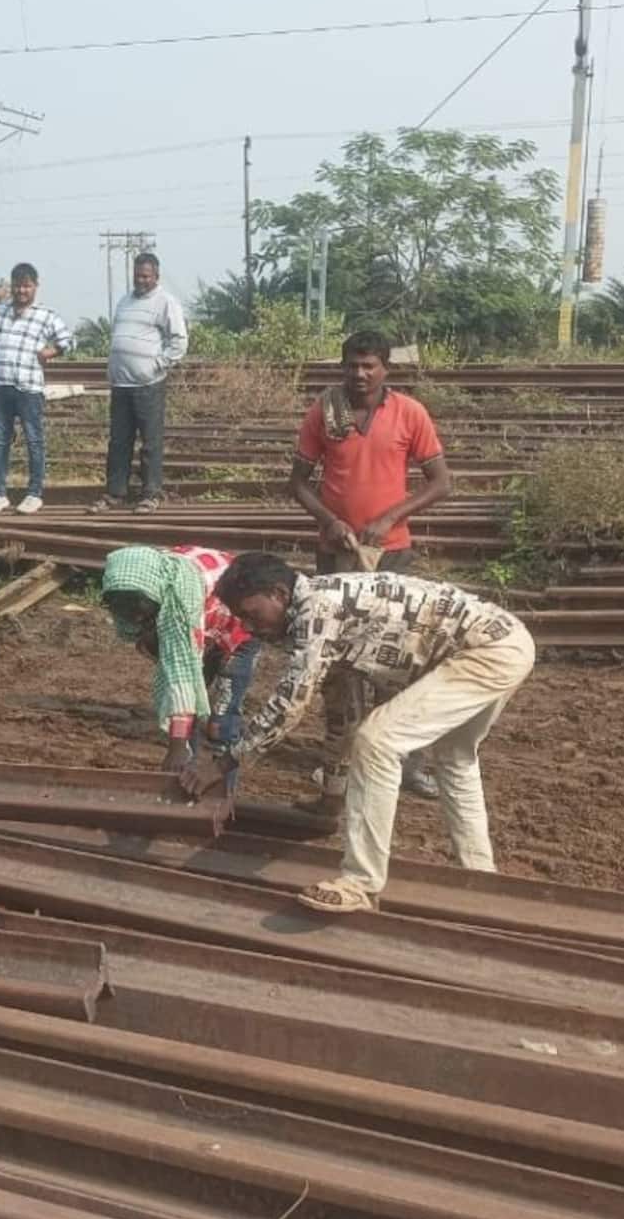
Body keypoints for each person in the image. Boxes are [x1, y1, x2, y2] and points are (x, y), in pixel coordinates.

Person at [181, 552, 535, 914]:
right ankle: (482, 877)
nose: (249, 628)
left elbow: (288, 706)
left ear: (278, 594)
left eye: (251, 614)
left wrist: (223, 762)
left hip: (488, 651)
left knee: (378, 741)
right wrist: (333, 795)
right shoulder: (329, 615)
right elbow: (342, 714)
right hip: (506, 642)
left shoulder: (319, 612)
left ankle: (361, 883)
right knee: (454, 759)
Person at [292, 326, 454, 805]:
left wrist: (389, 517)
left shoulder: (409, 412)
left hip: (393, 552)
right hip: (337, 554)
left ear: (386, 368)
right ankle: (341, 759)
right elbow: (298, 483)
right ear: (342, 366)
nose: (360, 374)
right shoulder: (326, 411)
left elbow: (441, 482)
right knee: (339, 659)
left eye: (370, 365)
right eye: (352, 365)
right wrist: (329, 520)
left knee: (399, 655)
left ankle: (407, 761)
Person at [100, 545, 260, 783]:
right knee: (188, 714)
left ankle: (223, 793)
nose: (133, 616)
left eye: (138, 610)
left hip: (238, 631)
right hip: (202, 626)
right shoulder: (133, 585)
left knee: (221, 723)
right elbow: (174, 670)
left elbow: (182, 675)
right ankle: (186, 775)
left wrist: (175, 749)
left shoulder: (181, 599)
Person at [0, 263, 75, 515]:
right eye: (17, 285)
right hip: (0, 386)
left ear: (36, 287)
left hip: (29, 388)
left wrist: (52, 351)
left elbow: (69, 340)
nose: (21, 290)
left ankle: (34, 493)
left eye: (27, 285)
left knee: (34, 440)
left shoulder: (46, 315)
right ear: (11, 286)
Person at [91, 250, 188, 516]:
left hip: (148, 384)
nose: (141, 280)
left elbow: (179, 342)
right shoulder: (124, 301)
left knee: (150, 442)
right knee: (119, 441)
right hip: (121, 385)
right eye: (137, 276)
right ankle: (115, 493)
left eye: (146, 276)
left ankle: (150, 494)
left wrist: (156, 364)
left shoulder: (166, 302)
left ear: (156, 276)